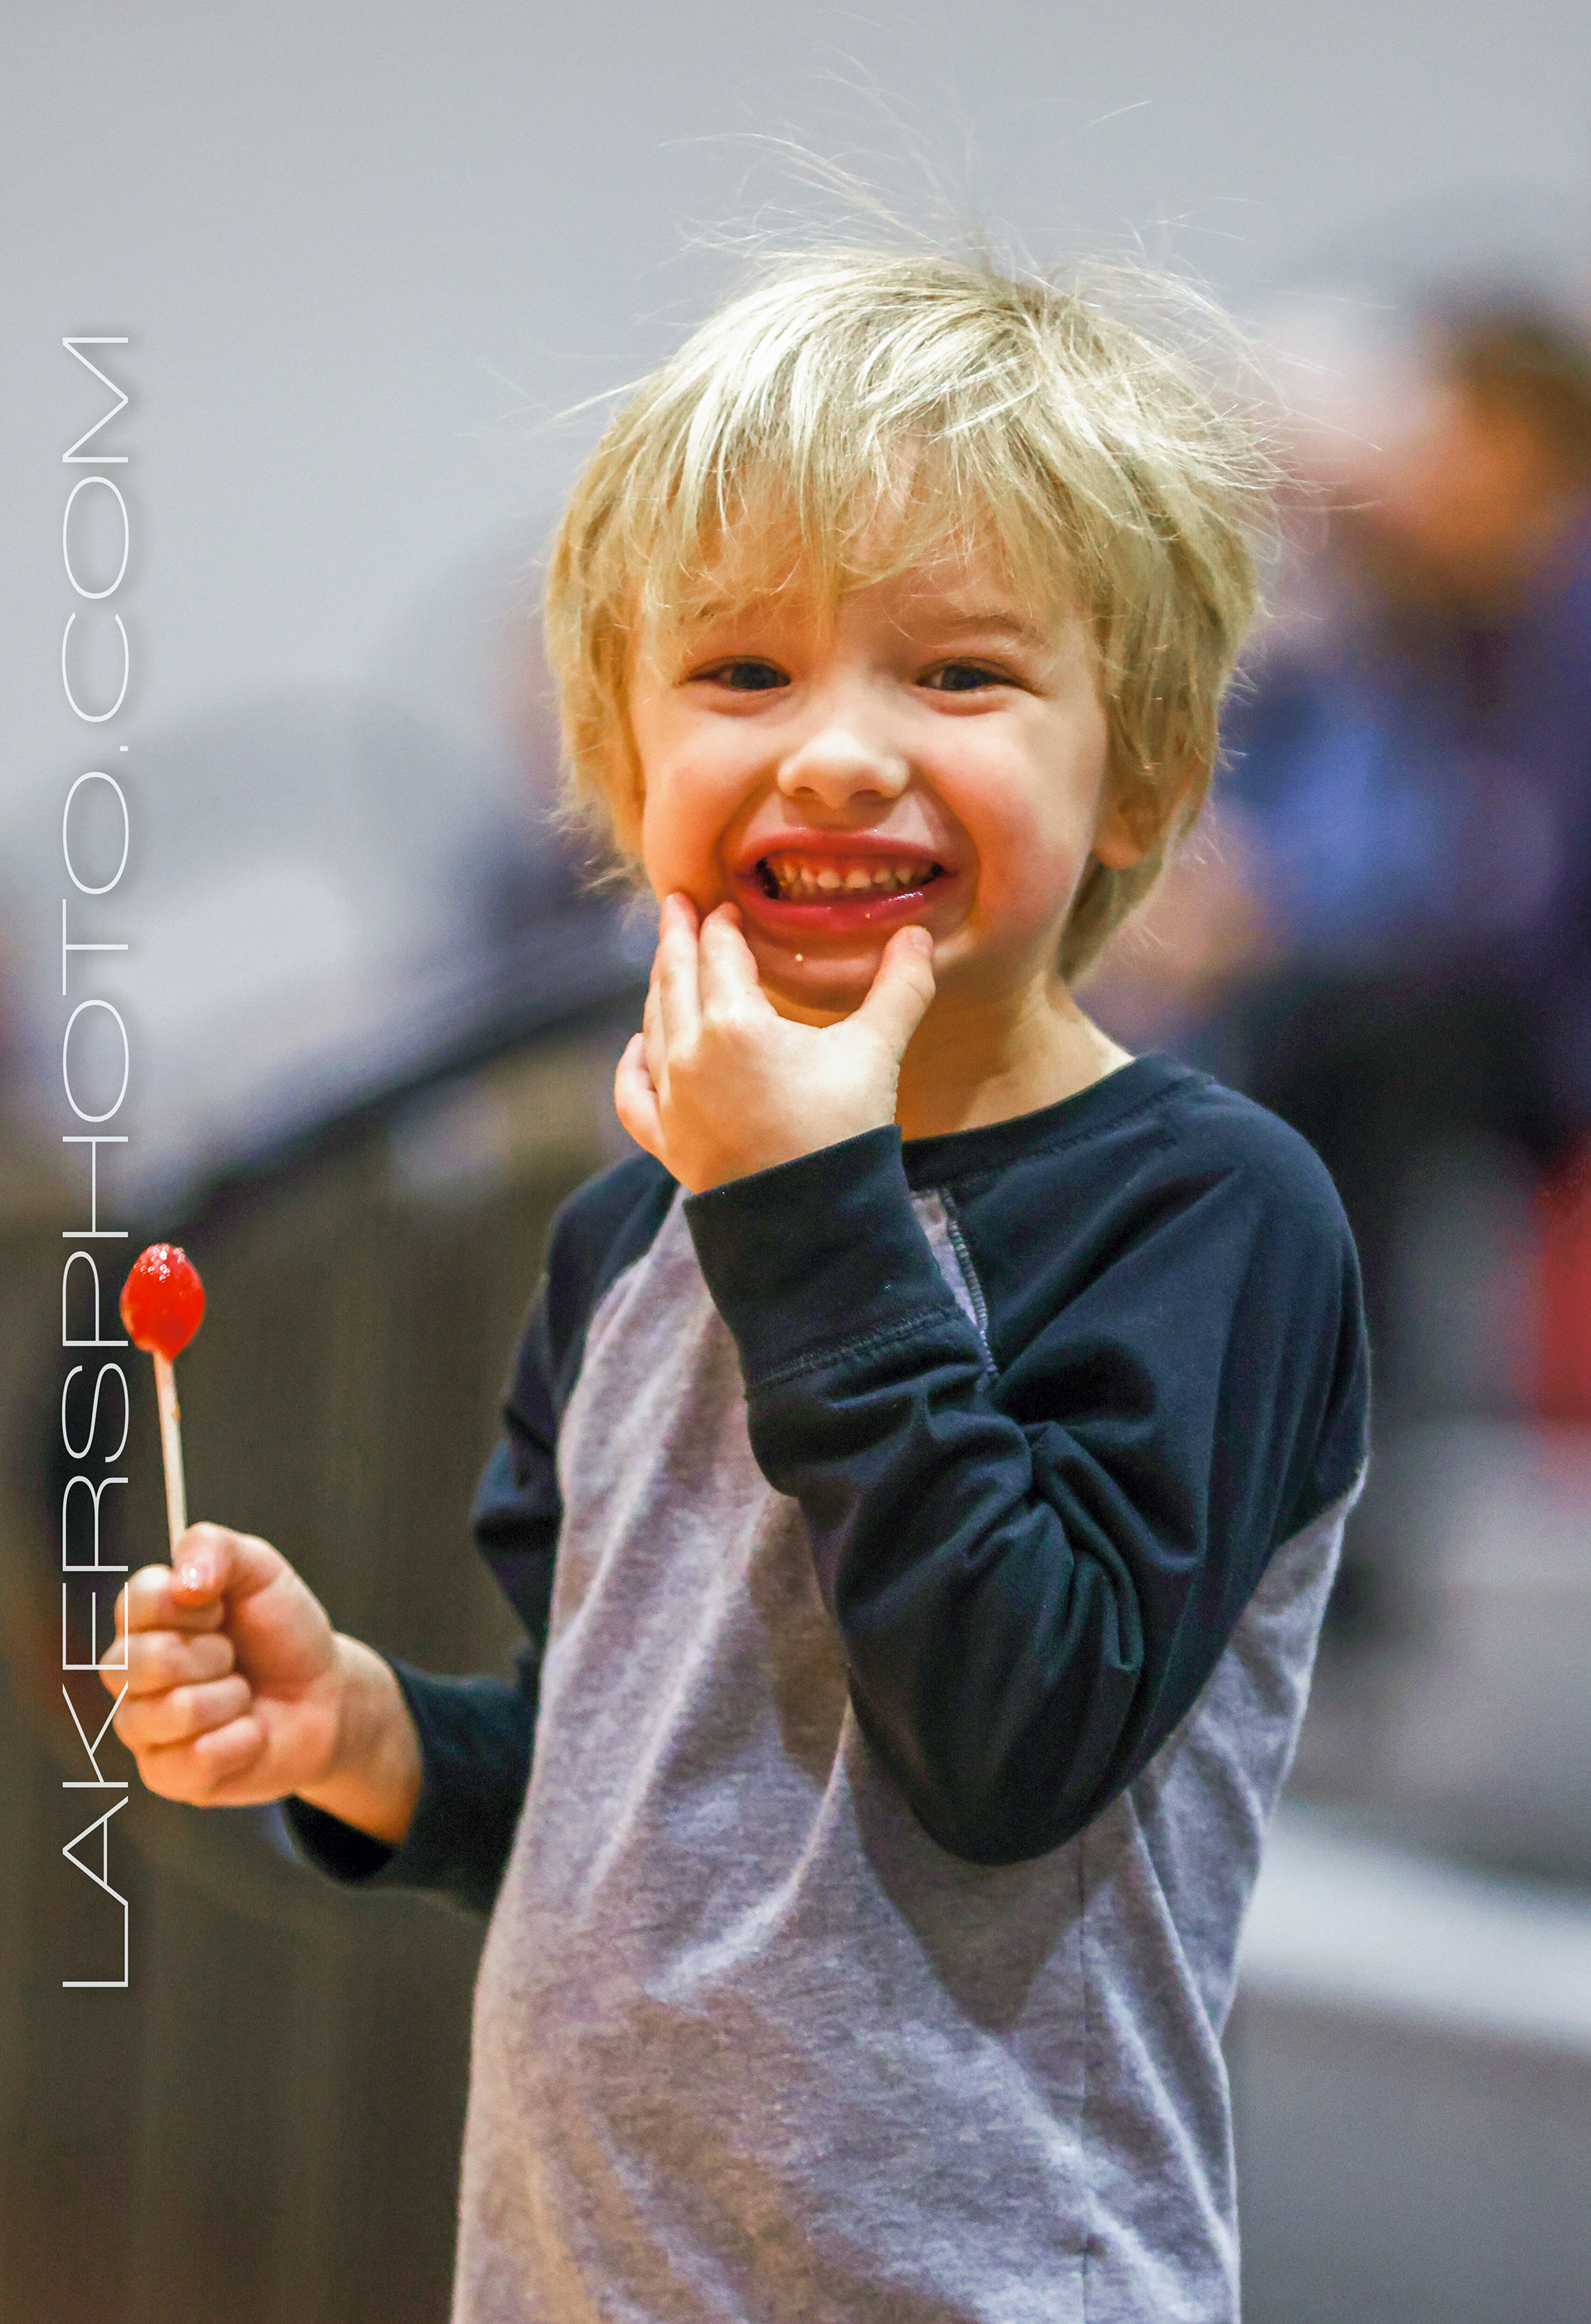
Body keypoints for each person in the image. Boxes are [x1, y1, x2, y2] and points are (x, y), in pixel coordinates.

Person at [102, 251, 1368, 2324]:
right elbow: (619, 1794)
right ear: (621, 764)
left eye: (958, 675)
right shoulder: (628, 1236)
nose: (839, 753)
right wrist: (369, 1731)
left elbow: (1013, 1741)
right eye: (745, 671)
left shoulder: (1210, 1209)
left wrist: (805, 1203)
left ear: (1139, 772)